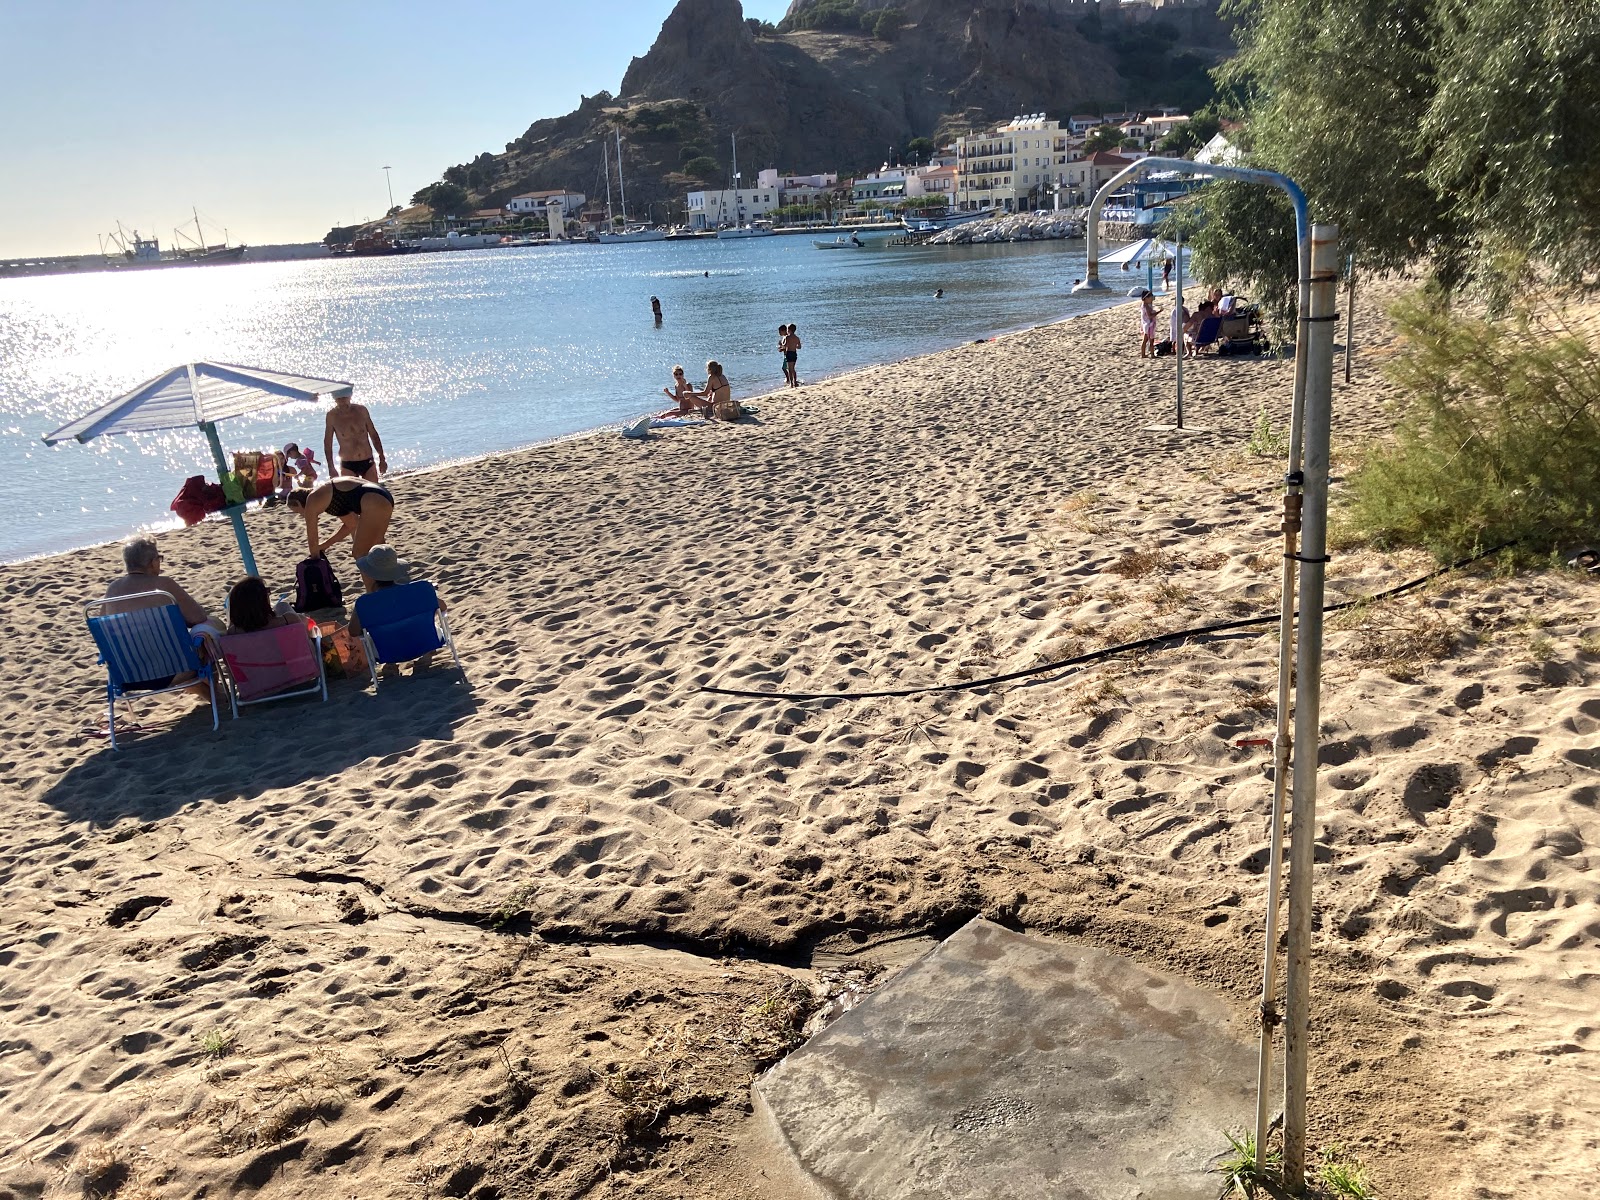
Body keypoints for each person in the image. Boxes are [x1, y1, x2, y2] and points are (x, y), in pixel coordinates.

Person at [101, 536, 217, 692]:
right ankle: (218, 696)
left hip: (128, 676)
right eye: (159, 558)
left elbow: (103, 631)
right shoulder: (164, 586)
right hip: (173, 670)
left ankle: (214, 698)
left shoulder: (112, 590)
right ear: (153, 562)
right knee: (205, 635)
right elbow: (198, 617)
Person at [347, 544, 448, 671]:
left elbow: (353, 631)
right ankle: (426, 654)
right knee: (423, 625)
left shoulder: (365, 603)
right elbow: (443, 608)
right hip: (426, 642)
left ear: (370, 574)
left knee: (378, 635)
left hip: (386, 652)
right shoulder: (420, 590)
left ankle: (391, 664)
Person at [286, 478, 395, 591]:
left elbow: (312, 540)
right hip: (382, 496)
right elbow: (351, 525)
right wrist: (324, 546)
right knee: (379, 549)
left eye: (297, 511)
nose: (301, 515)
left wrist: (315, 559)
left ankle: (372, 594)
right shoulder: (328, 495)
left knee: (359, 553)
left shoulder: (312, 499)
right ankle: (390, 588)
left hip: (372, 500)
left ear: (299, 502)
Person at [323, 389, 386, 482]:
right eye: (339, 399)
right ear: (335, 400)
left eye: (344, 398)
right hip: (348, 464)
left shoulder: (361, 410)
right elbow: (328, 443)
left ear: (350, 397)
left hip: (367, 460)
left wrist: (382, 458)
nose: (342, 402)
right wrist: (331, 467)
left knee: (373, 491)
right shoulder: (332, 416)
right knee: (352, 494)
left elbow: (374, 435)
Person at [225, 575, 298, 634]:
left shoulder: (233, 632)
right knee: (282, 606)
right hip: (288, 651)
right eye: (266, 592)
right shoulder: (288, 620)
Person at [1141, 291, 1162, 358]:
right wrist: (1159, 312)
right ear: (1146, 298)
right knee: (1150, 340)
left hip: (1147, 324)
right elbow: (1150, 316)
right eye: (1150, 298)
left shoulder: (1146, 304)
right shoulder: (1146, 306)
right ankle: (1151, 354)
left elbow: (1152, 300)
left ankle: (1144, 354)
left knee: (1147, 340)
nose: (1151, 299)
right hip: (1148, 325)